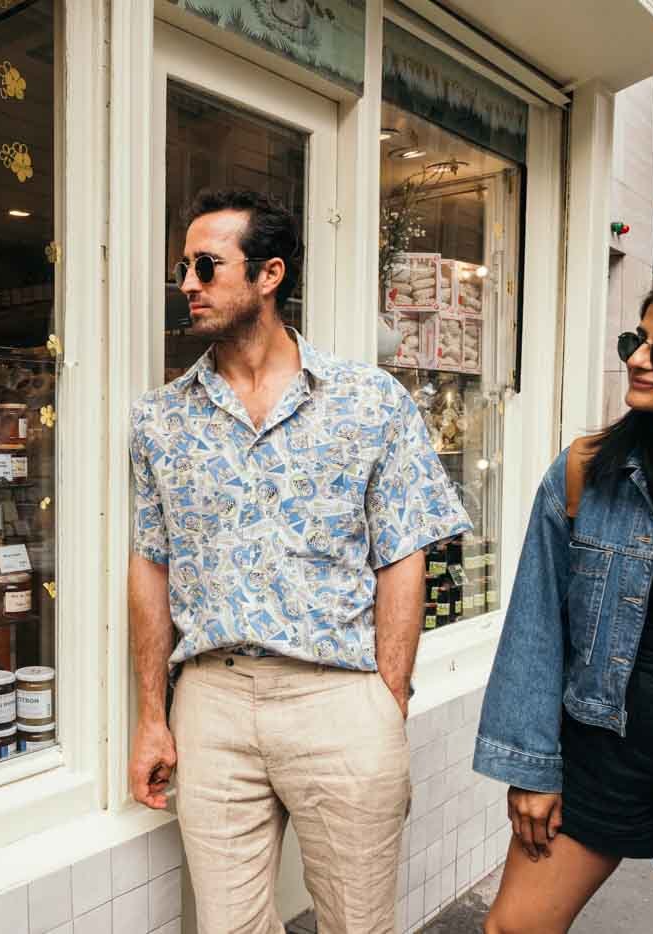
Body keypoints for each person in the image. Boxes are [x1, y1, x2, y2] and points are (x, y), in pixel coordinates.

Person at [128, 187, 471, 934]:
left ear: (269, 274)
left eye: (206, 266)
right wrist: (153, 717)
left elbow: (403, 554)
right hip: (212, 704)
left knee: (358, 924)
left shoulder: (369, 400)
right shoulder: (158, 419)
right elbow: (149, 567)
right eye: (183, 266)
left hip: (338, 697)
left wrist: (388, 692)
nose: (187, 283)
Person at [474, 263, 653, 934]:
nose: (638, 358)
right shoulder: (585, 472)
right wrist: (533, 769)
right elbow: (537, 626)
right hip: (604, 738)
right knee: (513, 927)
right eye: (636, 338)